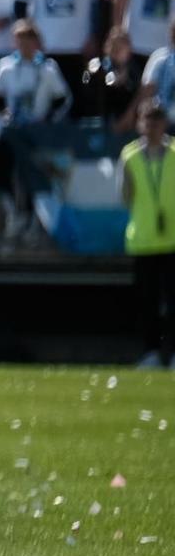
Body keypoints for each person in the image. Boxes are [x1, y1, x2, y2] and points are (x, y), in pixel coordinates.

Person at [122, 101, 175, 368]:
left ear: (164, 124)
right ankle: (151, 352)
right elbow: (125, 197)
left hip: (173, 239)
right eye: (147, 122)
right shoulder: (130, 156)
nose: (152, 128)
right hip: (143, 239)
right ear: (140, 123)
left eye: (156, 122)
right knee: (148, 303)